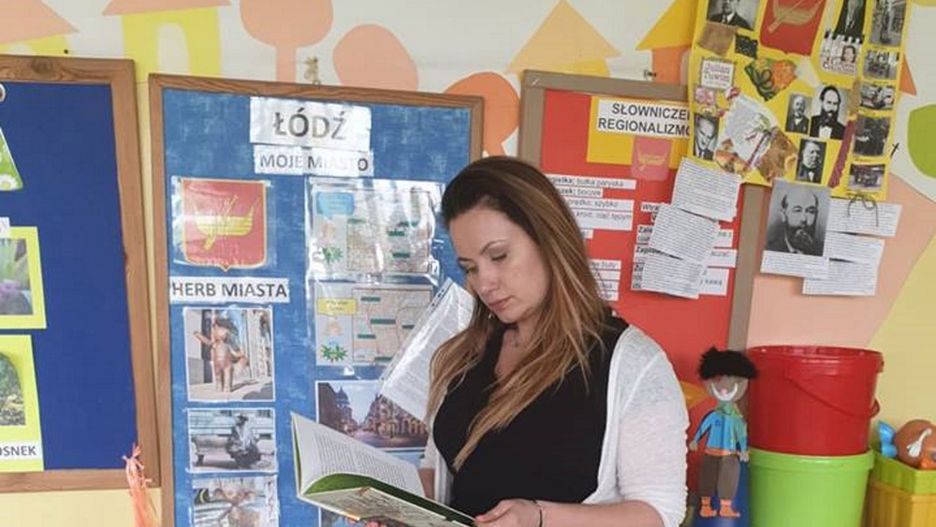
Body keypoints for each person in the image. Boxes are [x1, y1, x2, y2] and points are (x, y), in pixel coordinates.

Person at [418, 157, 688, 527]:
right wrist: (392, 502)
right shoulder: (464, 353)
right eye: (470, 268)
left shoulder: (631, 364)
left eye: (498, 256)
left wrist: (540, 516)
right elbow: (441, 471)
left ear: (549, 240)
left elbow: (659, 512)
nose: (484, 283)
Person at [689, 349, 757, 520]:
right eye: (718, 379)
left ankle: (725, 507)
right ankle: (705, 506)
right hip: (711, 452)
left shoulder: (736, 419)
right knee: (707, 478)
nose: (725, 388)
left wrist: (743, 450)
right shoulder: (715, 415)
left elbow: (741, 434)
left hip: (729, 454)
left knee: (729, 478)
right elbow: (704, 426)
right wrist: (695, 440)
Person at [766, 184, 823, 255]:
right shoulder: (770, 249)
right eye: (797, 210)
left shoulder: (821, 250)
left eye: (810, 211)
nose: (803, 219)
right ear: (783, 214)